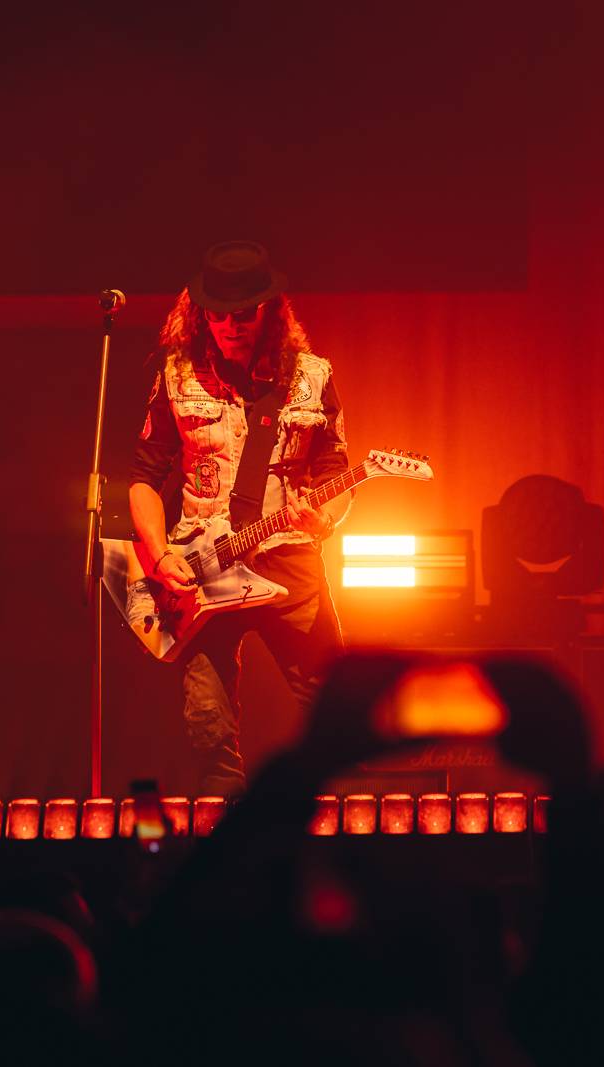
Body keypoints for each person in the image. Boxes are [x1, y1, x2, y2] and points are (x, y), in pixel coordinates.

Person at [128, 241, 352, 795]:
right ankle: (225, 839)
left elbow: (336, 472)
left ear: (271, 311)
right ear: (200, 312)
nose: (230, 325)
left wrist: (320, 518)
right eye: (218, 313)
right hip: (201, 567)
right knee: (208, 723)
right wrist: (157, 554)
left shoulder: (312, 377)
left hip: (288, 558)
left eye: (244, 313)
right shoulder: (176, 376)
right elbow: (143, 477)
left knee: (336, 705)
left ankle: (331, 830)